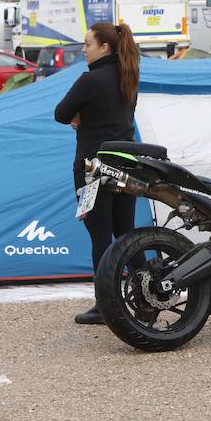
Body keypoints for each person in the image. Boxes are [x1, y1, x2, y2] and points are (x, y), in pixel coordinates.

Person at [55, 22, 140, 324]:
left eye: (87, 44)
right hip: (127, 164)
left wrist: (80, 116)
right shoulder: (128, 75)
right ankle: (143, 297)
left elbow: (61, 113)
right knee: (126, 234)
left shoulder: (90, 80)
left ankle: (106, 305)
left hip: (95, 166)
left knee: (100, 236)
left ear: (104, 47)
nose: (84, 49)